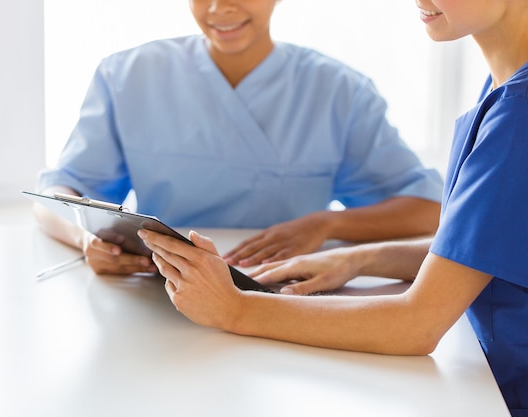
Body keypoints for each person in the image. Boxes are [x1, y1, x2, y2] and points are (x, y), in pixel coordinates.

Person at [137, 0, 528, 415]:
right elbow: (486, 248)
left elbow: (416, 326)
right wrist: (358, 257)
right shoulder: (527, 87)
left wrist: (234, 308)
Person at [34, 0, 443, 275]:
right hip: (161, 286)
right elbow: (55, 195)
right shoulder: (127, 77)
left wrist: (327, 223)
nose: (219, 8)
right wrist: (83, 238)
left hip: (286, 293)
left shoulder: (338, 90)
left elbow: (430, 210)